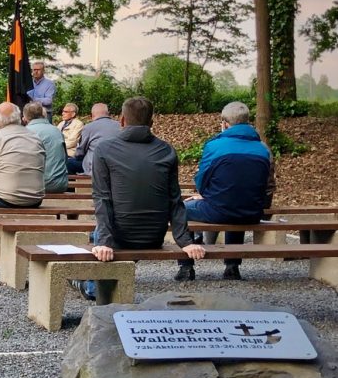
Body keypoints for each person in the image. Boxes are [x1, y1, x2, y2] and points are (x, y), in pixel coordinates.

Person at [74, 97, 205, 300]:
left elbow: (102, 198)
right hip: (153, 236)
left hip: (120, 236)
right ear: (151, 123)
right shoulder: (166, 150)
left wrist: (106, 242)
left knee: (97, 233)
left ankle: (88, 285)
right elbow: (175, 200)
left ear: (122, 120)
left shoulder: (104, 149)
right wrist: (184, 241)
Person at [175, 102, 271, 282]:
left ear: (225, 123)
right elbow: (268, 185)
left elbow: (201, 182)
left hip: (219, 210)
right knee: (237, 202)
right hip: (251, 212)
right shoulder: (263, 149)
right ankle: (232, 267)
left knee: (181, 209)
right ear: (247, 122)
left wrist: (204, 194)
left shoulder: (215, 146)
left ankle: (186, 267)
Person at [23, 102, 68, 193]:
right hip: (59, 184)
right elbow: (65, 158)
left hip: (35, 186)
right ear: (43, 114)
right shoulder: (57, 131)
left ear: (25, 118)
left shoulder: (25, 132)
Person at [72, 102, 120, 176]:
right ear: (108, 113)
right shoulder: (119, 125)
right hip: (117, 166)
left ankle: (70, 187)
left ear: (92, 115)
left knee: (68, 164)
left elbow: (80, 152)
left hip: (96, 168)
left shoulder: (89, 127)